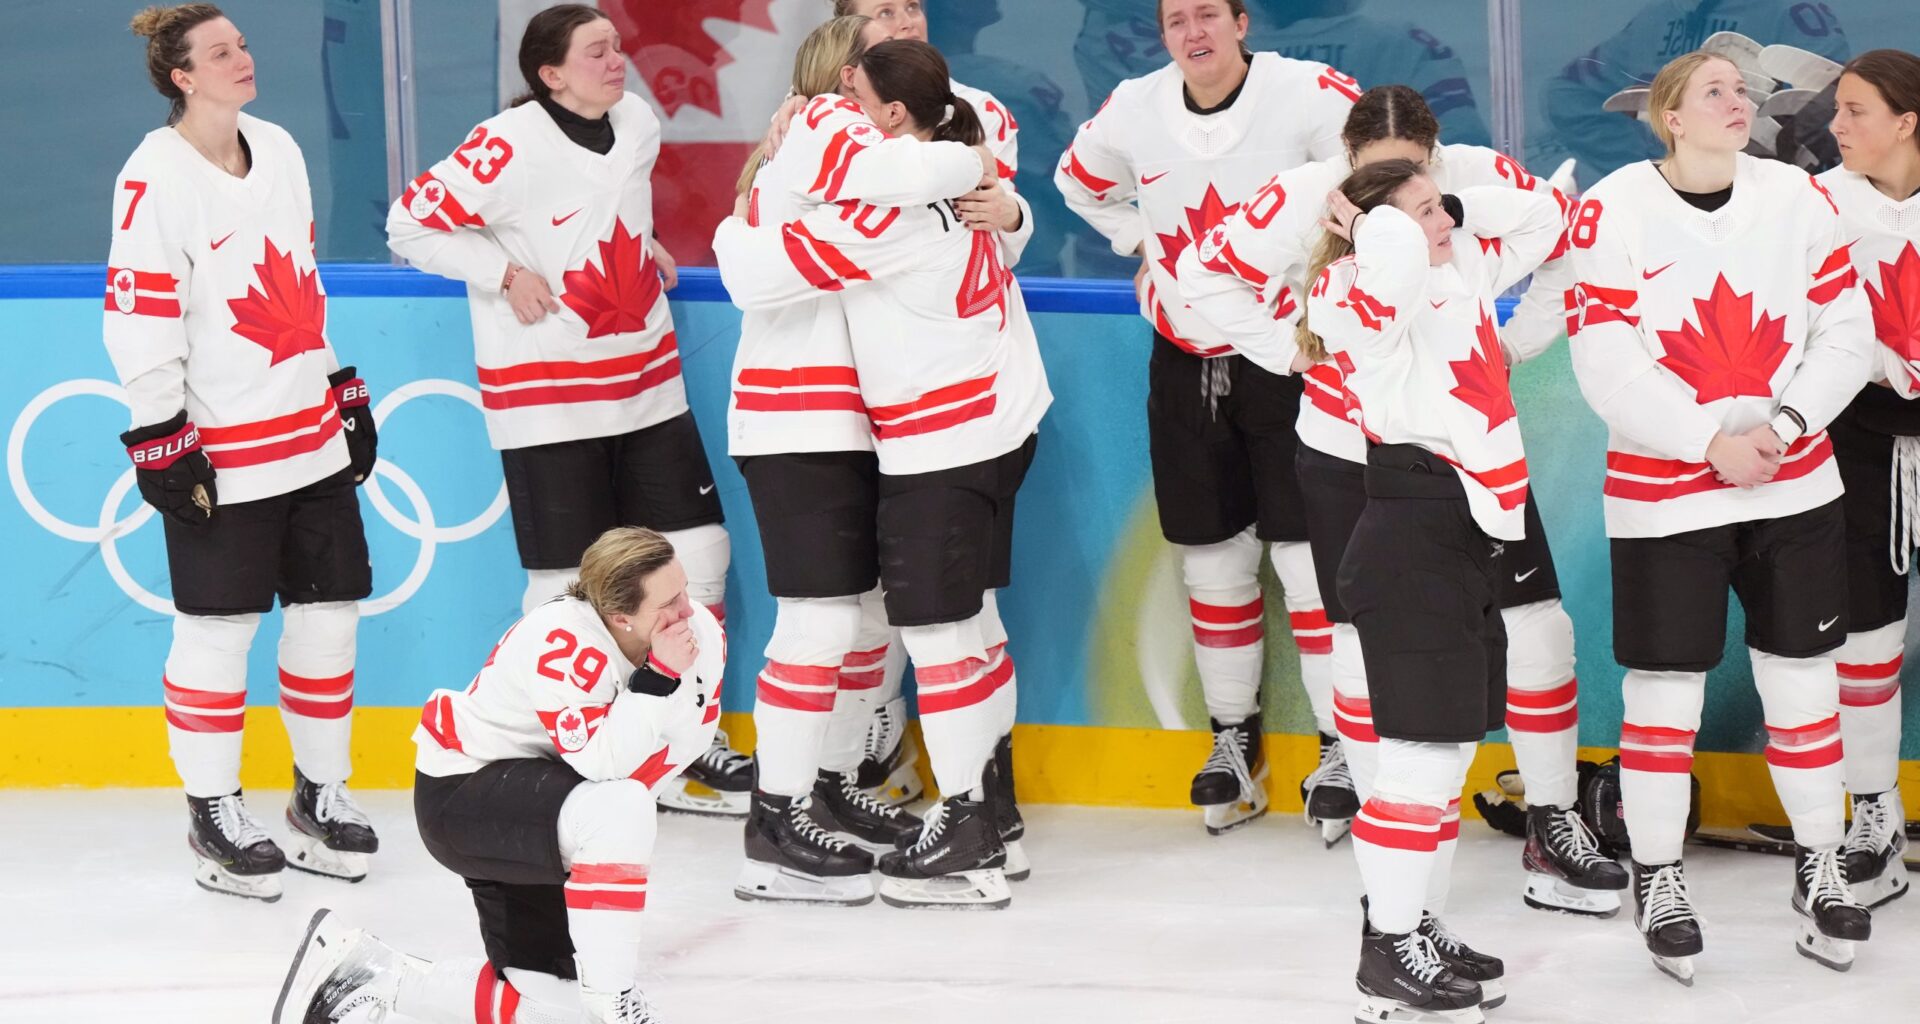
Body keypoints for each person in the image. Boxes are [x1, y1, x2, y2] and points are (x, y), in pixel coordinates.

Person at [1178, 84, 1628, 923]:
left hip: (1471, 457)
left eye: (1416, 175)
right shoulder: (1305, 200)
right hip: (1353, 459)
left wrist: (1509, 339)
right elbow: (1200, 275)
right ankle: (1398, 875)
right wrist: (1287, 351)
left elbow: (1559, 237)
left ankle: (1552, 816)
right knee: (1363, 653)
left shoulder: (1463, 193)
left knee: (1538, 633)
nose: (1397, 189)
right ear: (1345, 161)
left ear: (1437, 159)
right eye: (1374, 174)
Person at [385, 4, 749, 818]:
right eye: (597, 52)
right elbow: (409, 223)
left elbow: (607, 213)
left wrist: (643, 240)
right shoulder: (506, 143)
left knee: (700, 555)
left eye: (617, 46)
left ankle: (690, 737)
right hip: (548, 398)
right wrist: (500, 272)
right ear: (550, 75)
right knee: (562, 588)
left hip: (647, 381)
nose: (617, 60)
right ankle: (571, 754)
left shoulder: (640, 123)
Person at [715, 39, 1047, 909]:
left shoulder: (892, 195)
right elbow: (752, 274)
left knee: (936, 628)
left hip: (904, 437)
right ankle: (793, 816)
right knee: (853, 626)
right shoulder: (884, 173)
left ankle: (962, 817)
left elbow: (750, 267)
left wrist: (742, 225)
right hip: (816, 424)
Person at [1567, 50, 1875, 981]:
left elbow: (1847, 332)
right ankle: (1658, 876)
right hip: (1667, 497)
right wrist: (1708, 442)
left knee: (1804, 686)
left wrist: (1781, 425)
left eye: (1744, 91)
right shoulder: (1613, 206)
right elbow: (1606, 363)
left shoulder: (1797, 197)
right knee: (1665, 696)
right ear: (1671, 116)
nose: (1739, 102)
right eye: (1716, 92)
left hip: (1794, 480)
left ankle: (1822, 864)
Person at [1055, 0, 1359, 837]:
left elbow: (1380, 175)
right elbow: (1075, 181)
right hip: (1185, 361)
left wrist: (1331, 277)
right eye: (1175, 20)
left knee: (1308, 561)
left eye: (1207, 15)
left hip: (1294, 358)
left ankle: (1343, 745)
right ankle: (1234, 740)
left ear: (1241, 21)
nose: (1193, 34)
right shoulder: (1133, 107)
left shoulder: (1307, 94)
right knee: (1212, 560)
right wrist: (1140, 245)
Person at [108, 3, 380, 902]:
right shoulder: (153, 177)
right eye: (218, 52)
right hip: (222, 448)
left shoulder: (282, 148)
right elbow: (141, 314)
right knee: (219, 631)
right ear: (180, 76)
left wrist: (338, 383)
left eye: (244, 44)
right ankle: (212, 808)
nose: (242, 58)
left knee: (329, 617)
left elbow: (299, 282)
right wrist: (159, 436)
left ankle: (316, 795)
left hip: (305, 436)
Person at [1302, 162, 1564, 1024]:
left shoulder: (1454, 274)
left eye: (1440, 205)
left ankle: (1417, 923)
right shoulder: (1350, 295)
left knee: (1443, 758)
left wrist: (1439, 207)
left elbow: (1543, 223)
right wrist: (1367, 221)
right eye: (1421, 212)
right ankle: (1387, 951)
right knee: (1415, 763)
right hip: (1411, 534)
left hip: (1462, 538)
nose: (1442, 221)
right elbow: (1389, 271)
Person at [275, 527, 724, 1024]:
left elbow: (679, 745)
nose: (688, 611)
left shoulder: (699, 633)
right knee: (620, 807)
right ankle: (613, 998)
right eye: (668, 603)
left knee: (555, 1011)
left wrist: (598, 861)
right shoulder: (562, 641)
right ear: (621, 617)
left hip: (553, 812)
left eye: (683, 589)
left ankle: (372, 976)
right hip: (467, 799)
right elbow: (608, 768)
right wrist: (659, 678)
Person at [1819, 47, 1920, 909]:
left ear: (1907, 122)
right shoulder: (1818, 204)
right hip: (1857, 446)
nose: (1836, 126)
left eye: (1854, 110)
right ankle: (1874, 814)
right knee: (1865, 639)